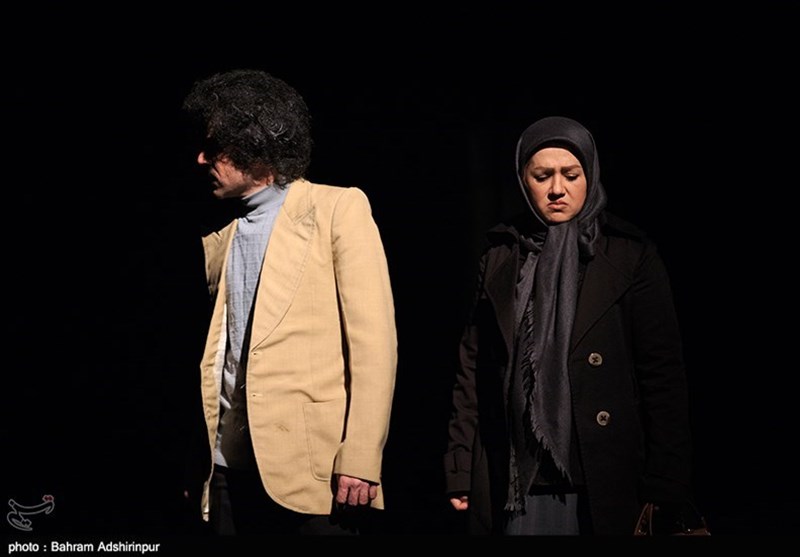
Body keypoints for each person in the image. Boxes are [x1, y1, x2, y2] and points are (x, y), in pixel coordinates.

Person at [443, 116, 699, 535]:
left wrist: (667, 476)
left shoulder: (629, 254)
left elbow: (662, 374)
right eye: (542, 176)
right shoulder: (502, 256)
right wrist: (459, 466)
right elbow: (472, 371)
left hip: (607, 470)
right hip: (518, 475)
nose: (557, 189)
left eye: (571, 174)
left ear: (590, 175)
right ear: (523, 181)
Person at [180, 68, 398, 535]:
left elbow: (374, 346)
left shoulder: (337, 208)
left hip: (312, 470)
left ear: (253, 142)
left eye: (214, 147)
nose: (200, 159)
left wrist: (361, 455)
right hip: (226, 469)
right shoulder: (220, 235)